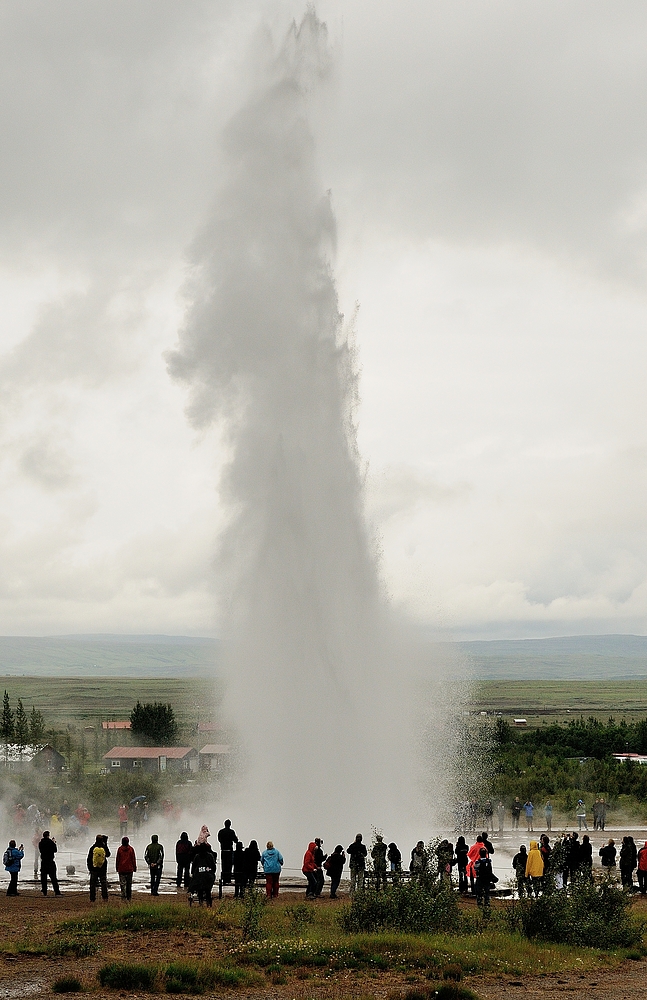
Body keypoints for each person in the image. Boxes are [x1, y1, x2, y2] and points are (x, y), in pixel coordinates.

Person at [189, 840, 216, 907]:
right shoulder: (210, 856)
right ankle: (209, 904)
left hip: (199, 876)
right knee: (208, 891)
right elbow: (213, 866)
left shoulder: (197, 856)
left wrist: (193, 874)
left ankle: (201, 903)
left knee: (200, 889)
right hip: (208, 877)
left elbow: (193, 867)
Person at [87, 833, 110, 902]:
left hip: (94, 868)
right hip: (102, 868)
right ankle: (105, 897)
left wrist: (90, 868)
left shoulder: (93, 847)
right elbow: (108, 854)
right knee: (103, 883)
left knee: (93, 884)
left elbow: (89, 858)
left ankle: (92, 898)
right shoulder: (103, 847)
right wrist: (105, 844)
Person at [38, 831, 61, 896]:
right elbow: (55, 850)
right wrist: (53, 842)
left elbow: (40, 850)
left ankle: (44, 891)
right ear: (48, 835)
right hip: (50, 861)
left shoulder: (40, 843)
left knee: (43, 878)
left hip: (43, 862)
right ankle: (57, 891)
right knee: (53, 878)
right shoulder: (51, 843)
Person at [116, 836, 136, 901]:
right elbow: (133, 859)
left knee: (122, 884)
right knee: (129, 884)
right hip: (129, 869)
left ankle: (123, 896)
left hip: (121, 869)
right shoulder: (131, 849)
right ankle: (129, 897)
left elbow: (117, 859)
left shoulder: (119, 849)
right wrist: (134, 867)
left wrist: (117, 867)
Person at [217, 820, 238, 885]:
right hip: (229, 850)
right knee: (229, 866)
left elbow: (219, 839)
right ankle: (228, 879)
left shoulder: (221, 832)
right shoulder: (231, 832)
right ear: (230, 824)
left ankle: (224, 878)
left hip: (223, 850)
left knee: (223, 865)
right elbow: (236, 840)